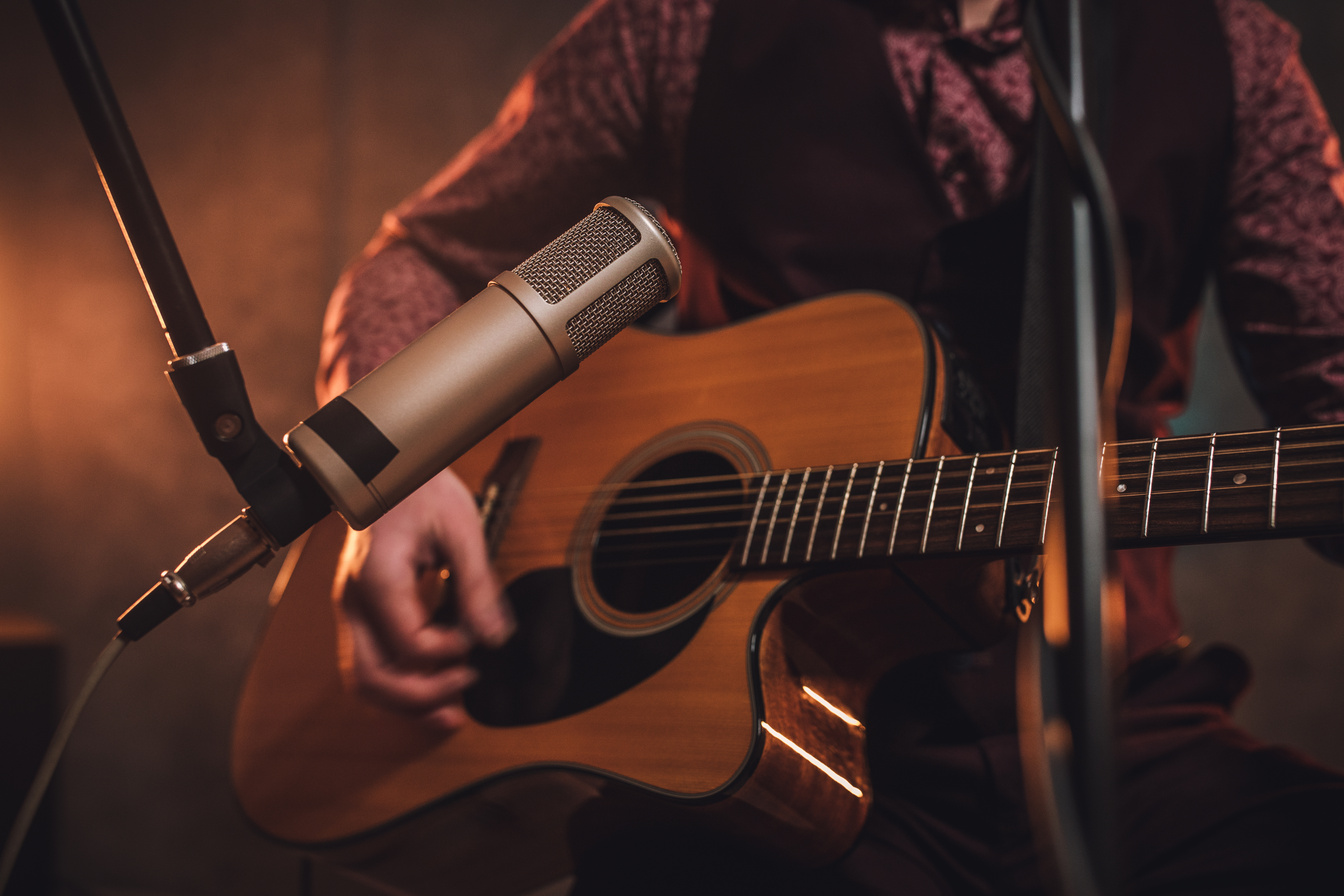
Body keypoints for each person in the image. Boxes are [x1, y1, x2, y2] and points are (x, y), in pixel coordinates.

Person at [314, 0, 1344, 891]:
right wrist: (392, 468)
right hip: (763, 752)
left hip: (1124, 735)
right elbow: (430, 256)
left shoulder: (1227, 50)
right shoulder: (686, 23)